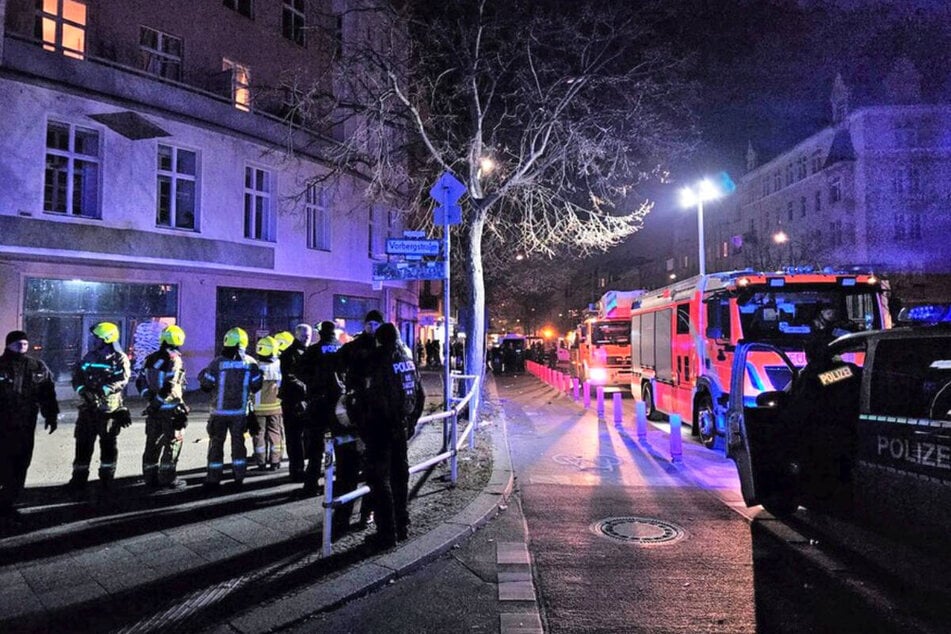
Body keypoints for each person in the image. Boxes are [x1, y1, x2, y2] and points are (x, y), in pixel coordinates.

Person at [361, 322, 424, 548]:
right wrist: (411, 423)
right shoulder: (407, 359)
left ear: (380, 339)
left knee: (380, 480)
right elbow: (420, 394)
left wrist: (366, 425)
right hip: (401, 427)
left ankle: (387, 533)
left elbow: (372, 396)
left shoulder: (379, 359)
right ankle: (402, 525)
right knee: (400, 477)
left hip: (382, 428)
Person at [0, 331, 58, 521]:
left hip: (25, 423)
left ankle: (9, 501)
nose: (22, 346)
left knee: (21, 461)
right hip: (3, 422)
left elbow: (47, 392)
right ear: (8, 345)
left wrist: (51, 415)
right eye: (18, 343)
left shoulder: (36, 366)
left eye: (25, 343)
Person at [69, 322, 132, 492]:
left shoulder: (119, 358)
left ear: (106, 339)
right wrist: (84, 391)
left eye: (96, 337)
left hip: (108, 410)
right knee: (83, 445)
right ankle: (78, 479)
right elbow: (77, 377)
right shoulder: (90, 356)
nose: (93, 340)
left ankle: (106, 480)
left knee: (108, 445)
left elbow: (122, 380)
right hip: (88, 409)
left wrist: (102, 391)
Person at [198, 327, 262, 488]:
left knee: (216, 445)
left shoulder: (217, 362)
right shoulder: (251, 363)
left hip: (219, 413)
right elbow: (256, 386)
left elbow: (206, 384)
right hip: (240, 412)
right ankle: (239, 476)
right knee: (238, 445)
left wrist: (202, 375)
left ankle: (213, 478)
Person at [337, 309, 384, 527]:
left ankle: (367, 513)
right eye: (370, 324)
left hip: (373, 416)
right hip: (357, 413)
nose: (372, 328)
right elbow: (336, 365)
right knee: (348, 469)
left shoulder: (388, 349)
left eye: (376, 324)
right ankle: (343, 515)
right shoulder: (354, 347)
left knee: (372, 471)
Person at [136, 325, 189, 490]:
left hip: (154, 411)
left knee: (152, 444)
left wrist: (150, 400)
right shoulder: (174, 359)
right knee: (173, 443)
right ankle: (168, 479)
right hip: (170, 410)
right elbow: (170, 386)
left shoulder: (151, 358)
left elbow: (140, 381)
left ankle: (149, 478)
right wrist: (158, 402)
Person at [299, 321, 344, 500]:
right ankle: (340, 483)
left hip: (318, 402)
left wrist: (313, 383)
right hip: (338, 402)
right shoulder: (342, 349)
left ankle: (311, 485)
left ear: (321, 333)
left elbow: (300, 370)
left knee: (315, 445)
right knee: (341, 443)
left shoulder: (314, 350)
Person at [278, 324, 312, 482]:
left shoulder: (309, 352)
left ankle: (302, 469)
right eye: (303, 335)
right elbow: (289, 377)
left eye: (308, 335)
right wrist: (307, 388)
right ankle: (296, 471)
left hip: (305, 400)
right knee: (294, 438)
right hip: (293, 401)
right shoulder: (289, 354)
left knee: (304, 437)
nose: (306, 338)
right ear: (296, 335)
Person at [252, 336, 284, 471]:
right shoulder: (280, 365)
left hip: (258, 408)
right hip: (276, 407)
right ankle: (275, 461)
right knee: (275, 434)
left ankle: (261, 462)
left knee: (259, 435)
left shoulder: (256, 367)